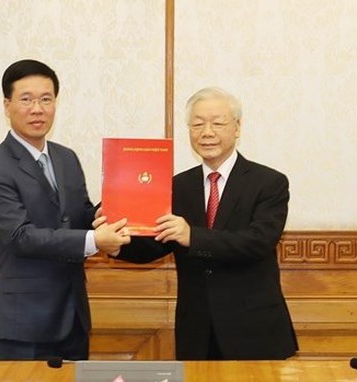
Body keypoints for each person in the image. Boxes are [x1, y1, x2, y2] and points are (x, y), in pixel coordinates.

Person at [95, 86, 298, 360]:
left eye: (217, 123)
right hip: (197, 331)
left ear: (237, 128)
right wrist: (115, 241)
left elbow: (258, 242)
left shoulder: (269, 182)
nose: (207, 132)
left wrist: (193, 236)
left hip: (254, 330)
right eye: (198, 124)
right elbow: (154, 246)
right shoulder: (177, 186)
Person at [0, 59, 129, 361]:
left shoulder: (66, 158)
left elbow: (82, 216)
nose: (37, 109)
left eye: (46, 99)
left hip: (72, 317)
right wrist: (95, 241)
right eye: (26, 99)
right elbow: (21, 237)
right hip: (22, 324)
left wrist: (124, 204)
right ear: (7, 105)